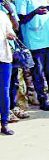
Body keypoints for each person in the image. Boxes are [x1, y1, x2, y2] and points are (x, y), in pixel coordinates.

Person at [0, 0, 28, 122]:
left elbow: (16, 27)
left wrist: (10, 12)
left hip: (9, 50)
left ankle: (11, 108)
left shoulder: (9, 6)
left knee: (13, 81)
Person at [1, 7, 18, 135]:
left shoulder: (2, 15)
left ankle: (5, 123)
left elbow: (12, 32)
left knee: (4, 92)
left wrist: (11, 35)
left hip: (4, 58)